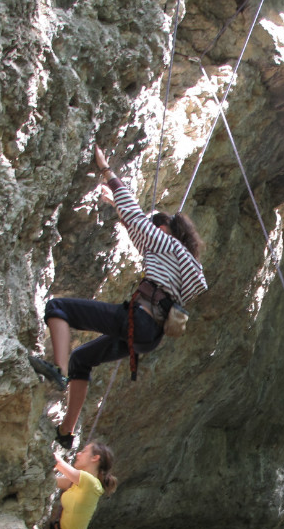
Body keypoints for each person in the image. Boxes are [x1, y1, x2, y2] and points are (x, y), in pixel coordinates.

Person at [31, 146, 208, 450]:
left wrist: (106, 171)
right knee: (83, 359)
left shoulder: (165, 243)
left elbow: (139, 222)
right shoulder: (190, 266)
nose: (151, 233)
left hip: (138, 319)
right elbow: (140, 235)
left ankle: (58, 372)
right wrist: (118, 210)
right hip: (149, 337)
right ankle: (66, 431)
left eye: (157, 229)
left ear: (165, 230)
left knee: (57, 307)